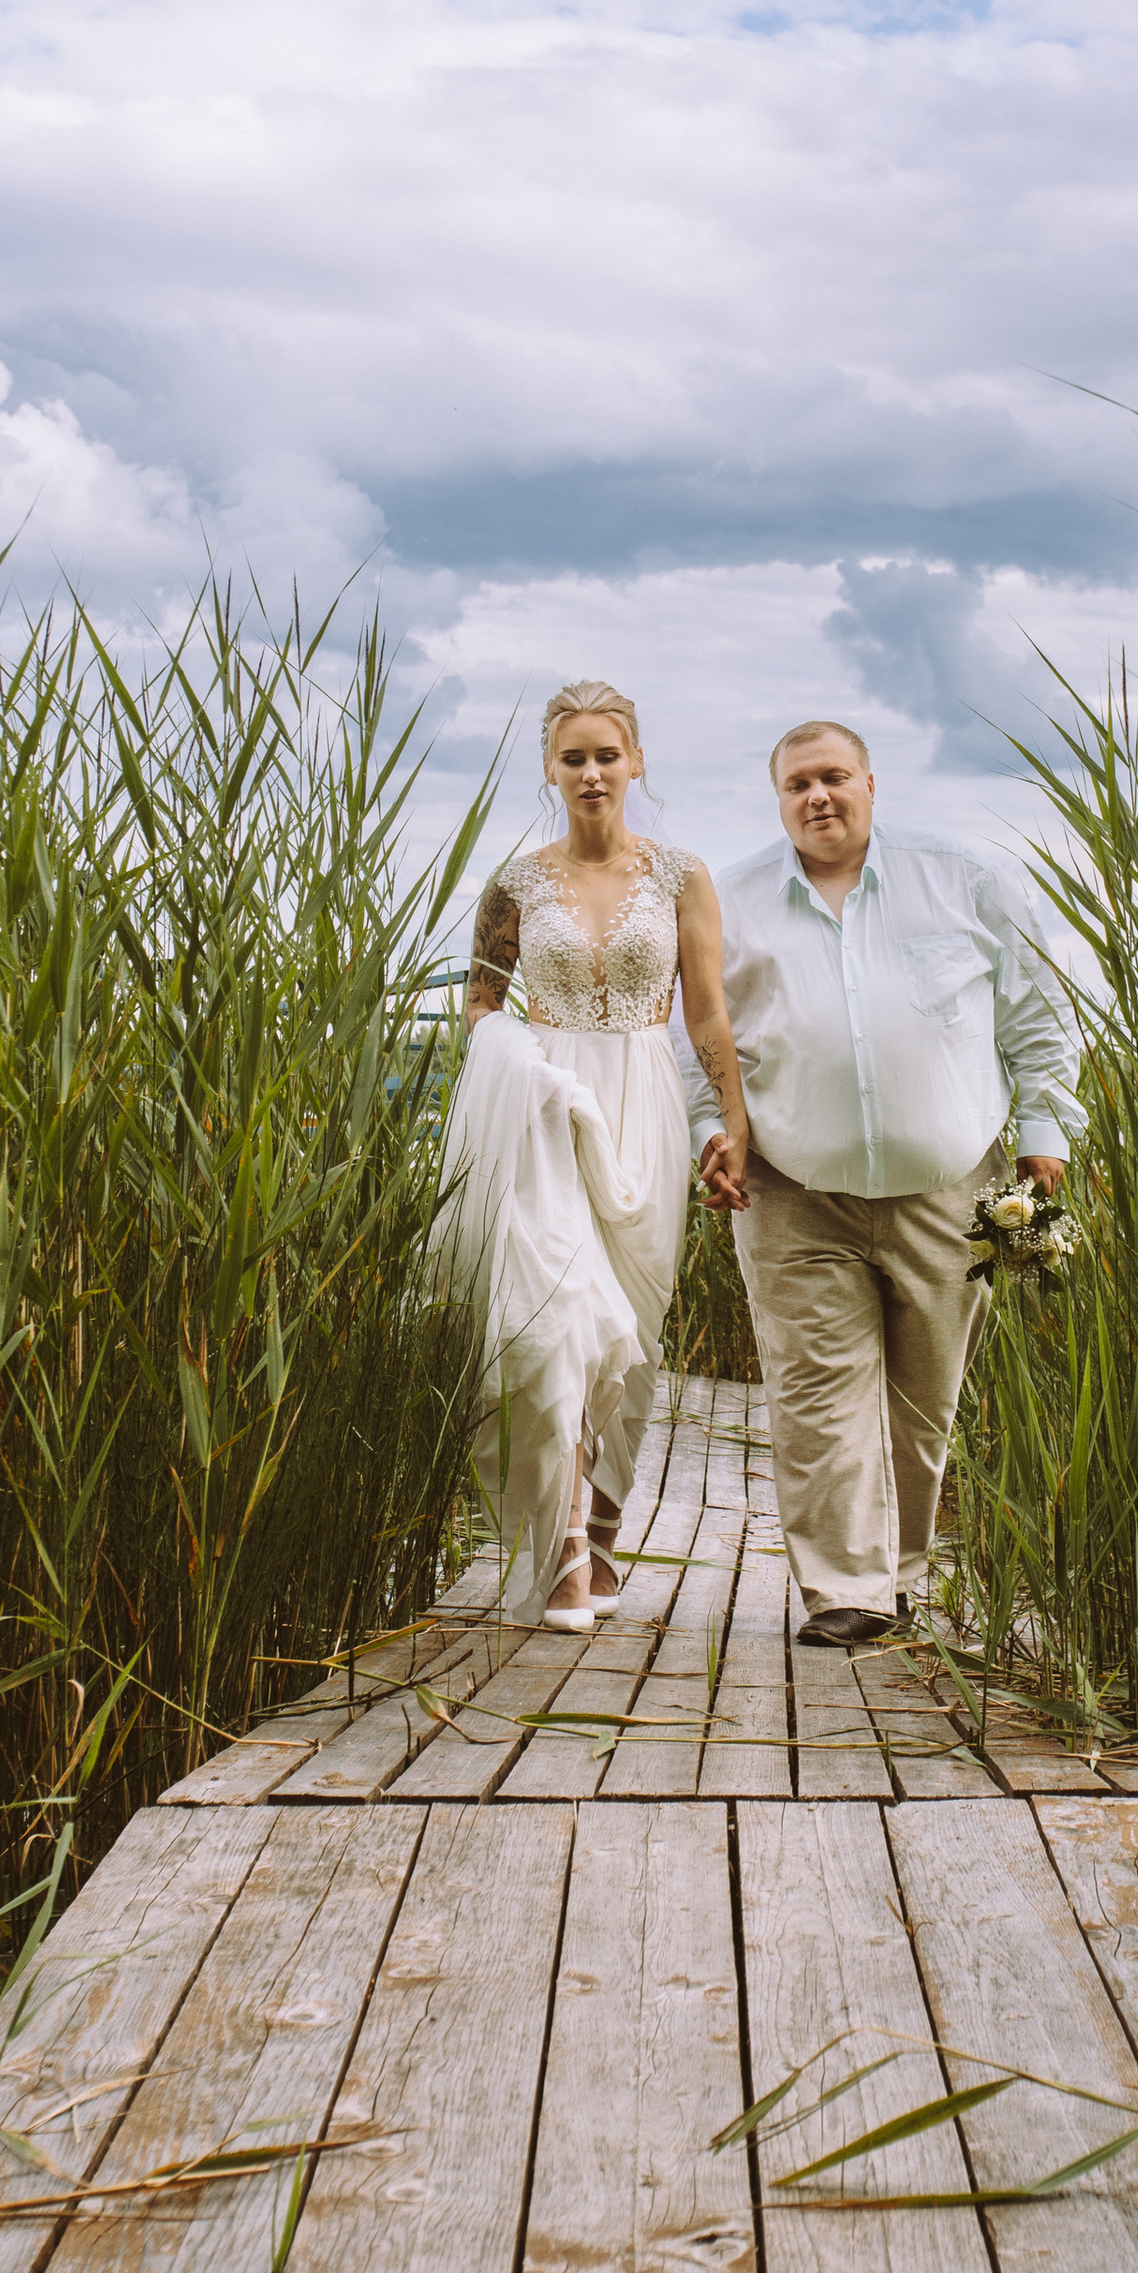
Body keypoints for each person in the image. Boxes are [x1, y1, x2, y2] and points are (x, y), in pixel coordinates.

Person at [695, 719, 1081, 1645]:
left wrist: (1044, 1133)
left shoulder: (965, 878)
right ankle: (846, 1591)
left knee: (923, 1396)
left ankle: (899, 1572)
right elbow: (695, 1033)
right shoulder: (731, 901)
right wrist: (713, 1130)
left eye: (833, 776)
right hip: (793, 1188)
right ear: (778, 799)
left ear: (870, 783)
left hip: (951, 1183)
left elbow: (1037, 1011)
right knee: (815, 1390)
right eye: (797, 784)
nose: (817, 796)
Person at [435, 681, 750, 1632]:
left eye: (607, 754)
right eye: (572, 757)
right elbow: (482, 1004)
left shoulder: (682, 877)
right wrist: (522, 1066)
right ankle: (564, 1548)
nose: (591, 773)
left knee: (635, 1330)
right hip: (545, 1103)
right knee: (560, 1315)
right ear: (550, 768)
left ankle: (605, 1532)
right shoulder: (515, 884)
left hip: (645, 1103)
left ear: (637, 761)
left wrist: (731, 1124)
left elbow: (708, 1013)